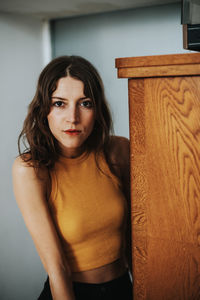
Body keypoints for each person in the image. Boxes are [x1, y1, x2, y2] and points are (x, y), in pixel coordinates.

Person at [12, 55, 132, 300]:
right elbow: (57, 268)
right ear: (43, 109)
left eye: (85, 103)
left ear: (97, 109)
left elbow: (137, 237)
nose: (73, 118)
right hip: (71, 292)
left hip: (124, 288)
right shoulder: (31, 169)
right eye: (59, 104)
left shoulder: (118, 151)